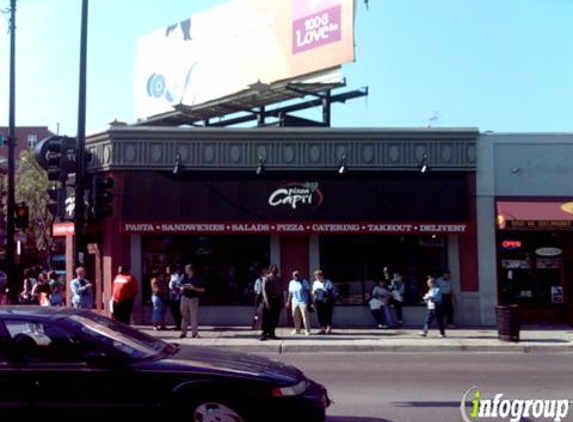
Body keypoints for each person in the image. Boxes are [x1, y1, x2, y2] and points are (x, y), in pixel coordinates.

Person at [179, 264, 205, 339]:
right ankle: (183, 333)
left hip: (193, 298)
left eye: (186, 269)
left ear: (190, 270)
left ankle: (195, 333)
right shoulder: (184, 277)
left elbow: (203, 290)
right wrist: (182, 288)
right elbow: (180, 285)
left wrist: (193, 288)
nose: (185, 270)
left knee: (194, 316)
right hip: (184, 298)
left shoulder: (198, 278)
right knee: (184, 316)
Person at [260, 264, 282, 341]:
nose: (276, 270)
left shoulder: (279, 279)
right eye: (275, 268)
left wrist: (281, 301)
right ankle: (264, 334)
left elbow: (280, 290)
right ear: (271, 269)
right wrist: (267, 302)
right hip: (269, 300)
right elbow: (264, 291)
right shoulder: (266, 278)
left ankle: (272, 333)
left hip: (277, 300)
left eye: (277, 268)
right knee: (266, 318)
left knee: (275, 318)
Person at [286, 270, 312, 336]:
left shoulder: (304, 281)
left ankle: (307, 330)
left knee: (305, 316)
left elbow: (308, 292)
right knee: (295, 316)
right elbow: (290, 293)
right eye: (295, 275)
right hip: (294, 301)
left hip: (303, 301)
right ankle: (297, 330)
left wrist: (310, 301)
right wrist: (288, 301)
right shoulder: (291, 282)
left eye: (298, 275)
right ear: (293, 276)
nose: (297, 276)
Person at [312, 269, 337, 334]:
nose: (317, 278)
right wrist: (314, 292)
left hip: (327, 301)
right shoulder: (315, 283)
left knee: (328, 314)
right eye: (316, 276)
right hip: (318, 301)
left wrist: (326, 295)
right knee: (320, 315)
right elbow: (313, 291)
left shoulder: (327, 281)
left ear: (322, 276)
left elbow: (331, 290)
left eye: (318, 276)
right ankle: (322, 328)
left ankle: (329, 328)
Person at [166, 266, 182, 330]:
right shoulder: (171, 276)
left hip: (176, 296)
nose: (166, 271)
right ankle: (177, 324)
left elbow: (178, 285)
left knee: (176, 311)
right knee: (173, 311)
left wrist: (175, 290)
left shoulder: (176, 276)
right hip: (171, 296)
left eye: (167, 270)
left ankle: (179, 325)